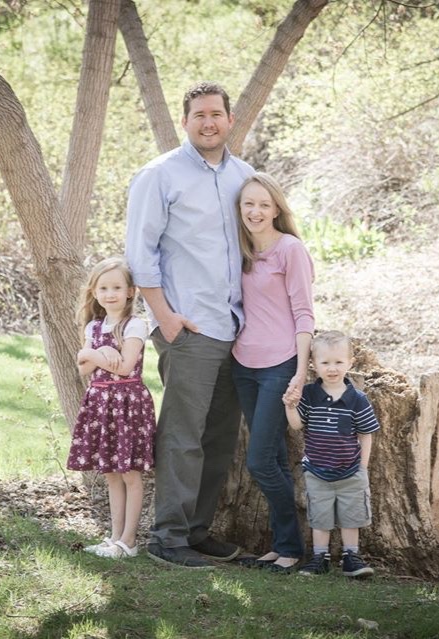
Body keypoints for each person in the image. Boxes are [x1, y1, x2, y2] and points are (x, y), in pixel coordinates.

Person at [125, 81, 254, 569]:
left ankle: (197, 531)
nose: (208, 122)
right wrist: (165, 318)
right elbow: (140, 252)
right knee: (183, 436)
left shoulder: (245, 176)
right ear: (185, 122)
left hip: (237, 328)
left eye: (216, 114)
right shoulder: (159, 175)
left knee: (219, 439)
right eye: (199, 115)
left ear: (230, 119)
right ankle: (168, 537)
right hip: (189, 326)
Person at [231, 173, 314, 573]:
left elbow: (304, 313)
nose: (255, 211)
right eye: (249, 203)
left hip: (280, 363)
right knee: (275, 458)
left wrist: (300, 371)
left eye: (264, 204)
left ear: (277, 208)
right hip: (242, 363)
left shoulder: (290, 250)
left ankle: (292, 545)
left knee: (260, 461)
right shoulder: (240, 249)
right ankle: (284, 547)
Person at [67, 257, 156, 560]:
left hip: (127, 404)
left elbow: (126, 366)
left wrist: (94, 354)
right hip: (101, 404)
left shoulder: (135, 325)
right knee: (111, 473)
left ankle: (129, 541)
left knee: (129, 472)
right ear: (94, 291)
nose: (110, 294)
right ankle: (115, 538)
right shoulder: (94, 326)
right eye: (103, 288)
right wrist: (99, 351)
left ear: (130, 291)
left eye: (117, 287)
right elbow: (82, 368)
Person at [284, 330, 380, 578]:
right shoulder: (309, 394)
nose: (332, 368)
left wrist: (362, 467)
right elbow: (297, 425)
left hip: (350, 471)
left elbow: (366, 434)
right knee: (320, 516)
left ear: (350, 363)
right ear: (314, 364)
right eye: (325, 362)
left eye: (339, 362)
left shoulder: (357, 399)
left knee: (351, 516)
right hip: (317, 471)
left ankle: (351, 557)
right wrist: (290, 406)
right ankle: (320, 557)